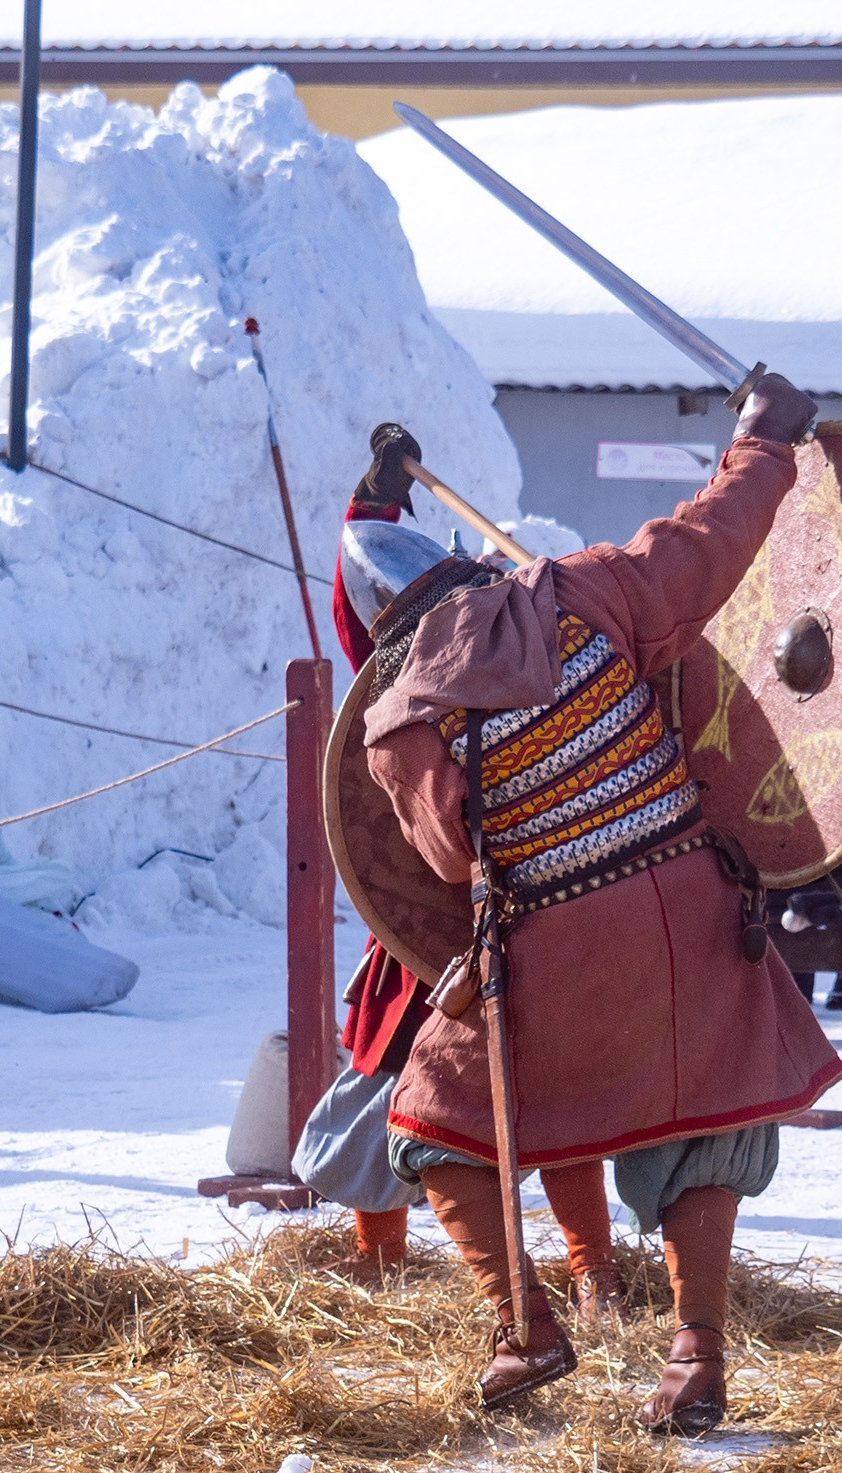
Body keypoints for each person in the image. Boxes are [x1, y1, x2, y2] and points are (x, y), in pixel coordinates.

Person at [361, 373, 842, 1432]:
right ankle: (696, 1358)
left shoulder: (398, 722)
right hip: (692, 907)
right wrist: (759, 440)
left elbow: (446, 862)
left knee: (432, 1118)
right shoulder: (576, 590)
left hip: (560, 939)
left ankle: (523, 1325)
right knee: (699, 1126)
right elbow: (709, 540)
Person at [310, 430, 627, 1315]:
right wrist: (371, 509)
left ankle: (592, 1272)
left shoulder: (548, 662)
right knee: (392, 1082)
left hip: (538, 910)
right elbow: (364, 609)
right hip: (433, 926)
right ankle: (381, 1257)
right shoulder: (403, 672)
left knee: (553, 1101)